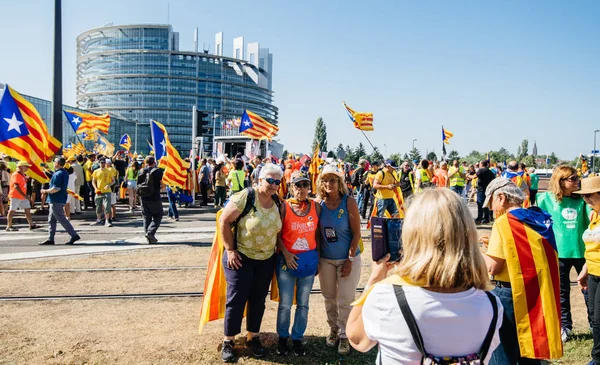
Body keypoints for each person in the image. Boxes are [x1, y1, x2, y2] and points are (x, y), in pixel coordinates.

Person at [347, 188, 502, 364]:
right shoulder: (491, 304)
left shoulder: (386, 296)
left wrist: (374, 281)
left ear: (411, 235)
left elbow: (357, 339)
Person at [482, 178, 562, 364]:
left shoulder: (504, 223)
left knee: (502, 352)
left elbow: (493, 267)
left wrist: (480, 252)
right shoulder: (540, 218)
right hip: (536, 293)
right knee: (530, 350)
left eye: (491, 203)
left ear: (501, 197)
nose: (491, 209)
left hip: (509, 294)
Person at [218, 163, 283, 362]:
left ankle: (253, 337)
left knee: (258, 300)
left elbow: (279, 230)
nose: (273, 185)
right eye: (270, 180)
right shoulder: (246, 197)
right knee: (237, 299)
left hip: (265, 260)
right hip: (240, 258)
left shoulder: (278, 202)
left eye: (277, 181)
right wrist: (230, 250)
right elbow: (224, 221)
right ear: (259, 179)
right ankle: (229, 340)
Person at [536, 165, 591, 342]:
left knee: (589, 289)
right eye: (572, 179)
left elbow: (592, 216)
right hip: (557, 252)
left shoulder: (582, 200)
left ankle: (594, 323)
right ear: (560, 181)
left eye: (577, 178)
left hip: (581, 251)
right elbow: (537, 222)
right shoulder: (546, 199)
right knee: (561, 291)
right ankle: (565, 326)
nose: (577, 181)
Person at [317, 164, 362, 355]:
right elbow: (317, 234)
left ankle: (345, 334)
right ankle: (333, 329)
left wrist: (350, 259)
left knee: (345, 299)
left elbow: (357, 233)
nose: (329, 184)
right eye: (326, 180)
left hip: (347, 258)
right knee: (329, 297)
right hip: (326, 259)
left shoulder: (348, 202)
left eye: (333, 180)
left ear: (340, 182)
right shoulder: (319, 205)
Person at [275, 171, 321, 357]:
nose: (301, 189)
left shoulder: (316, 207)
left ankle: (298, 338)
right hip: (287, 261)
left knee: (303, 303)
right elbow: (276, 235)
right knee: (285, 303)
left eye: (304, 185)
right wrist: (286, 254)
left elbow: (318, 233)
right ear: (291, 187)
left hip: (308, 261)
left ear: (309, 187)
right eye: (297, 185)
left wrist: (317, 258)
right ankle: (283, 338)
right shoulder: (285, 207)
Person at [572, 177, 600, 365]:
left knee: (598, 320)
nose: (586, 200)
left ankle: (597, 359)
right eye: (584, 196)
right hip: (593, 274)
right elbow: (592, 248)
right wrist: (584, 271)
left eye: (590, 195)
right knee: (594, 318)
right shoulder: (593, 216)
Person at [39, 157, 80, 245]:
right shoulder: (63, 172)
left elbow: (56, 188)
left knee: (61, 219)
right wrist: (46, 170)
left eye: (54, 162)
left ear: (57, 163)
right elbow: (53, 176)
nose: (53, 163)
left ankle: (74, 234)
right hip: (58, 198)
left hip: (56, 199)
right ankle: (50, 238)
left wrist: (45, 191)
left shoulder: (59, 174)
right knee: (51, 220)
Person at [5, 162, 41, 231]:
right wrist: (24, 195)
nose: (27, 168)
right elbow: (16, 186)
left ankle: (31, 225)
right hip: (15, 195)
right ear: (21, 167)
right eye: (26, 166)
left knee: (27, 209)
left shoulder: (22, 174)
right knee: (12, 210)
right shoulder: (16, 174)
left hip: (22, 196)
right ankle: (9, 226)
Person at [139, 156, 164, 244]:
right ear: (154, 163)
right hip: (154, 197)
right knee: (158, 215)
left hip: (143, 196)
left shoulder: (141, 171)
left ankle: (148, 236)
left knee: (146, 217)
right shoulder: (157, 171)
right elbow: (162, 185)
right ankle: (150, 232)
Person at [91, 159, 114, 227]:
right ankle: (98, 219)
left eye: (104, 163)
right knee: (98, 206)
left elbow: (113, 181)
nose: (103, 164)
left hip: (107, 191)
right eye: (101, 163)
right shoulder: (96, 171)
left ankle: (107, 220)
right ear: (99, 163)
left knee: (107, 206)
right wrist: (95, 188)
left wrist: (109, 185)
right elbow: (93, 181)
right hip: (99, 191)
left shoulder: (109, 171)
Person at [475, 159, 496, 224]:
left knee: (480, 204)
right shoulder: (490, 172)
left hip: (481, 190)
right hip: (488, 189)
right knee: (486, 204)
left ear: (481, 164)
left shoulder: (481, 170)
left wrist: (468, 175)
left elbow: (474, 176)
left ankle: (479, 218)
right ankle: (486, 218)